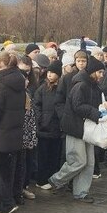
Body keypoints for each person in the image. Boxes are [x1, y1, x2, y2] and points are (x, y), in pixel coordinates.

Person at [47, 56, 106, 203]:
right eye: (100, 72)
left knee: (89, 162)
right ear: (93, 72)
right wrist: (97, 113)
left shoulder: (94, 86)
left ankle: (81, 192)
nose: (101, 75)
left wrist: (102, 113)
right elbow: (77, 106)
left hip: (87, 128)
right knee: (78, 161)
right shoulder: (81, 85)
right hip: (75, 127)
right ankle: (56, 180)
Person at [0, 50, 27, 213]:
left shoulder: (0, 87)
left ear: (0, 64)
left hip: (1, 138)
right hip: (15, 136)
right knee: (8, 172)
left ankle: (5, 205)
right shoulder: (19, 84)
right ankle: (8, 201)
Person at [32, 58, 64, 188]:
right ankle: (41, 180)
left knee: (54, 155)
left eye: (53, 72)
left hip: (56, 127)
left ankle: (52, 178)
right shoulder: (42, 89)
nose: (49, 75)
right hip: (44, 128)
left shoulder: (62, 88)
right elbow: (36, 105)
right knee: (43, 156)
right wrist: (40, 120)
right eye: (48, 72)